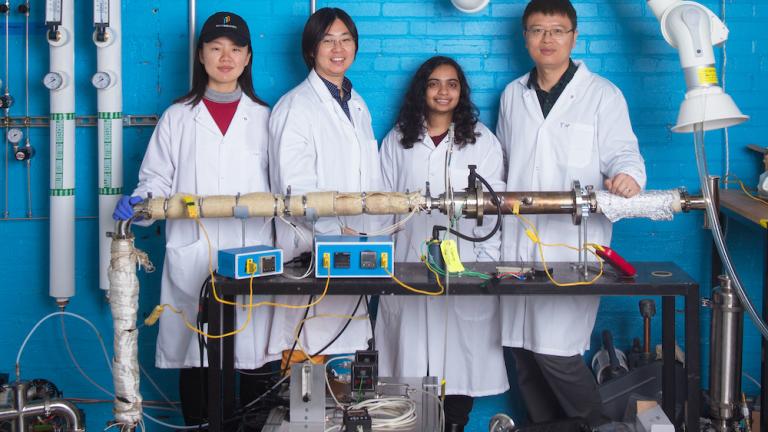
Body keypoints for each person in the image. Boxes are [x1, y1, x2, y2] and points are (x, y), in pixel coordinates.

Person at [112, 11, 278, 427]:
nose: (226, 57)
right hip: (193, 258)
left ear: (248, 57)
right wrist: (138, 204)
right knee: (199, 360)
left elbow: (285, 189)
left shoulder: (267, 118)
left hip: (252, 255)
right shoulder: (177, 118)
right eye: (216, 48)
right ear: (201, 55)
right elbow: (154, 181)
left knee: (256, 360)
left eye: (235, 49)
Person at [496, 0, 647, 426]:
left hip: (572, 246)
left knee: (556, 351)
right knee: (522, 355)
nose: (547, 39)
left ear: (573, 37)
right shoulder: (513, 95)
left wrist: (627, 176)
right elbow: (507, 163)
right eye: (537, 30)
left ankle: (597, 426)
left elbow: (624, 154)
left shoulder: (602, 94)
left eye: (557, 30)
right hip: (518, 244)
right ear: (525, 36)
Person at [376, 56, 508, 432]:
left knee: (459, 367)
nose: (443, 91)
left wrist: (485, 266)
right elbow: (381, 208)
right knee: (410, 369)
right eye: (434, 83)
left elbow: (495, 210)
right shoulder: (397, 140)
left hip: (465, 264)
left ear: (461, 92)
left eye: (452, 84)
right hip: (406, 264)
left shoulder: (482, 142)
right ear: (422, 90)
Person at [267, 8, 384, 362]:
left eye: (346, 39)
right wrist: (336, 229)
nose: (338, 48)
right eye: (328, 40)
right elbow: (295, 188)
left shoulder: (357, 105)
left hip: (354, 252)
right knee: (304, 364)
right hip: (311, 254)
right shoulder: (295, 107)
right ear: (311, 49)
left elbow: (368, 180)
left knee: (347, 364)